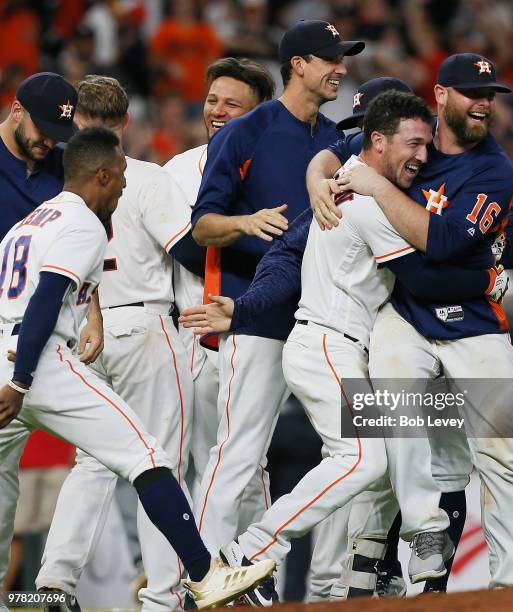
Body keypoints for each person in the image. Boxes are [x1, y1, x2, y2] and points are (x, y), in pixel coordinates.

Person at [183, 90, 512, 601]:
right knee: (363, 461)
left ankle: (368, 566)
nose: (424, 157)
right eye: (414, 144)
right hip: (327, 345)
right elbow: (427, 272)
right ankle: (248, 552)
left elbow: (289, 251)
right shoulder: (366, 201)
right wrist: (488, 279)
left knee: (395, 438)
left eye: (428, 146)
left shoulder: (356, 186)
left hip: (343, 347)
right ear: (376, 142)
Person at [0, 126, 275, 609]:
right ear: (102, 175)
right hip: (37, 362)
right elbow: (45, 300)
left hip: (8, 351)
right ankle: (204, 575)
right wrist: (21, 379)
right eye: (121, 175)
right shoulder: (84, 223)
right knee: (148, 455)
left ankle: (36, 595)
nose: (125, 185)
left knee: (5, 498)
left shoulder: (30, 222)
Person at [311, 52, 513, 588]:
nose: (482, 104)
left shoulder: (492, 167)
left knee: (501, 455)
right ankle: (393, 549)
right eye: (470, 93)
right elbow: (336, 154)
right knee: (390, 411)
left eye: (489, 96)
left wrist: (378, 189)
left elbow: (445, 242)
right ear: (440, 96)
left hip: (475, 325)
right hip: (407, 317)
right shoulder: (413, 138)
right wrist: (315, 179)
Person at [189, 22, 364, 603]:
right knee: (239, 454)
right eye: (331, 59)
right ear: (298, 64)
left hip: (326, 317)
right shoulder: (246, 132)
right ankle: (198, 581)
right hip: (255, 312)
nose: (340, 68)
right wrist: (245, 222)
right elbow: (202, 224)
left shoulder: (338, 138)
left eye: (343, 59)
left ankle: (327, 588)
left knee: (352, 455)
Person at [33, 74, 199, 611]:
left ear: (75, 122)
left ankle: (53, 586)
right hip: (145, 328)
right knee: (160, 465)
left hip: (81, 332)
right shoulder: (145, 178)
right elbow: (189, 252)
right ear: (127, 122)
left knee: (92, 465)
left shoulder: (58, 188)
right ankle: (163, 598)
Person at [0, 72, 102, 594]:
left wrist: (95, 311)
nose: (46, 141)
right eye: (39, 128)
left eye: (54, 133)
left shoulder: (59, 166)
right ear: (15, 111)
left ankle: (44, 589)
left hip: (37, 338)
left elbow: (76, 255)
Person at [163, 57, 275, 507]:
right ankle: (197, 574)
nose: (218, 111)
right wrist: (242, 228)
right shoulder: (178, 169)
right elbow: (184, 249)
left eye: (234, 104)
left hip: (250, 329)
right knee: (185, 465)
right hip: (189, 332)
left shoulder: (274, 170)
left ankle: (255, 574)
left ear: (261, 112)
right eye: (212, 100)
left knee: (244, 465)